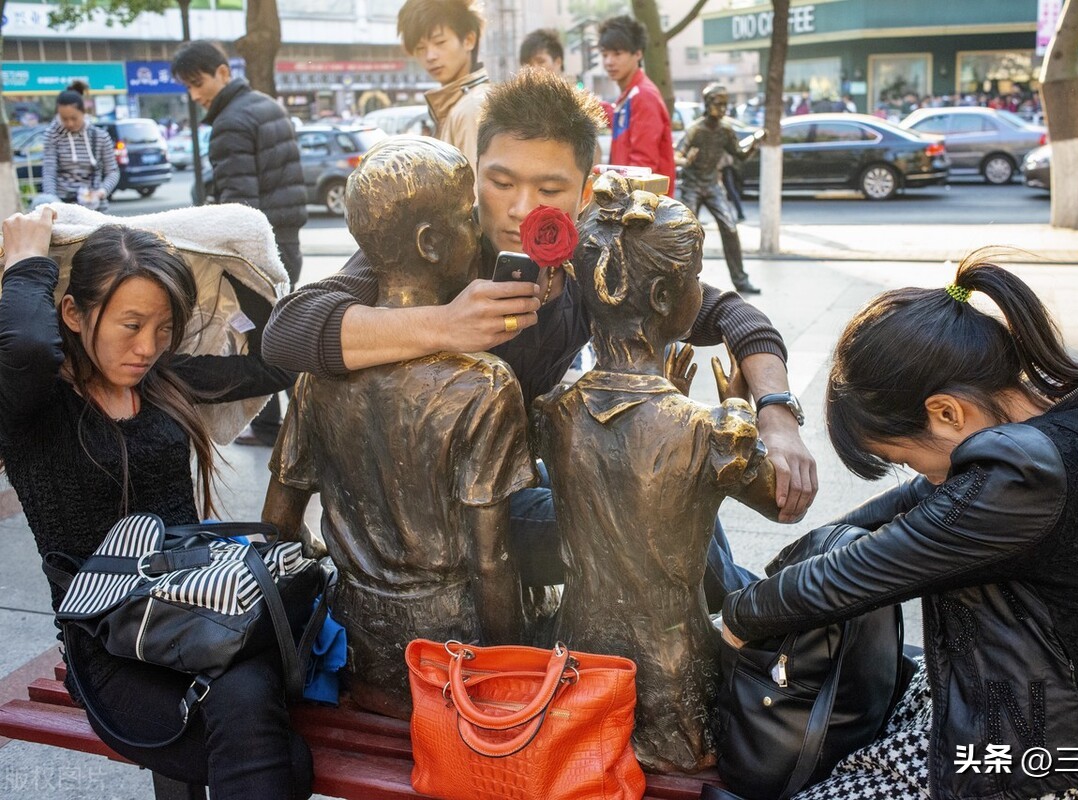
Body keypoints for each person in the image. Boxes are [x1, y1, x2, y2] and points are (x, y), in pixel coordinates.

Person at [260, 68, 819, 610]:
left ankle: (762, 610)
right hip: (452, 515)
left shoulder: (594, 260)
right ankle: (767, 613)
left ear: (586, 190)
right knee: (657, 514)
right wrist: (446, 324)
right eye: (500, 182)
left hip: (522, 470)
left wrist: (776, 413)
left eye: (549, 187)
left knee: (672, 484)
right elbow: (286, 331)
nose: (521, 207)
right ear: (475, 171)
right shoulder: (432, 248)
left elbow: (731, 314)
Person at [720, 254, 1078, 799]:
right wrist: (809, 550)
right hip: (1053, 707)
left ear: (946, 413)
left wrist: (736, 618)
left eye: (907, 456)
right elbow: (913, 506)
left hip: (1045, 767)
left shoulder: (1020, 479)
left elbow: (855, 574)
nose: (918, 473)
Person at [0, 209, 307, 798]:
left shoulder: (167, 381)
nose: (147, 347)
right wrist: (28, 261)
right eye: (131, 324)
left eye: (163, 328)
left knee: (257, 721)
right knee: (272, 750)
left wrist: (228, 260)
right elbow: (27, 347)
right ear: (72, 312)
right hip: (113, 645)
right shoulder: (34, 407)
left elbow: (278, 359)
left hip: (206, 613)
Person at [262, 137, 528, 718]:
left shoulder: (321, 373)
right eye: (467, 219)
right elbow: (492, 564)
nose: (479, 232)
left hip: (358, 647)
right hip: (448, 661)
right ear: (431, 245)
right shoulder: (482, 384)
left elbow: (277, 523)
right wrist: (510, 675)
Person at [536, 174, 780, 773]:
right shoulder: (706, 428)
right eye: (697, 277)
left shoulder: (553, 411)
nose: (703, 289)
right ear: (671, 298)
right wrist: (741, 411)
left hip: (578, 662)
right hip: (673, 683)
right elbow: (784, 503)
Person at [171, 40, 307, 450]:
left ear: (223, 72)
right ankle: (301, 423)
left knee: (263, 346)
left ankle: (281, 427)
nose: (195, 95)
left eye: (198, 83)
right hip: (287, 242)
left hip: (257, 254)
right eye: (188, 87)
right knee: (281, 337)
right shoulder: (267, 104)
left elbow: (238, 210)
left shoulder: (230, 122)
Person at [676, 83, 760, 295]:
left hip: (712, 185)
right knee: (687, 233)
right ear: (707, 104)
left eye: (725, 104)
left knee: (730, 228)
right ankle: (681, 283)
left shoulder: (725, 130)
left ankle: (741, 280)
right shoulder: (695, 129)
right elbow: (677, 155)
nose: (722, 108)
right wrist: (686, 160)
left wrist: (754, 143)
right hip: (692, 185)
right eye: (718, 103)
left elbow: (739, 154)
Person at [397, 0, 488, 172]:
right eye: (420, 48)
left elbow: (476, 194)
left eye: (440, 42)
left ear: (469, 40)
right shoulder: (457, 104)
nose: (430, 56)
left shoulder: (473, 107)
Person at [599, 14, 676, 195]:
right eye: (605, 54)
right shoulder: (630, 95)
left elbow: (642, 166)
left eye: (617, 54)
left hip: (642, 207)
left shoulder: (643, 96)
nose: (609, 61)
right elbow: (619, 121)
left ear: (638, 53)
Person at [41, 88, 118, 209]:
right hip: (63, 205)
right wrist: (53, 203)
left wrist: (101, 192)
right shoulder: (52, 135)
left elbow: (113, 172)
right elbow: (49, 172)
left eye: (74, 118)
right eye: (64, 119)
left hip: (94, 207)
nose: (70, 123)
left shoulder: (100, 136)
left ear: (83, 112)